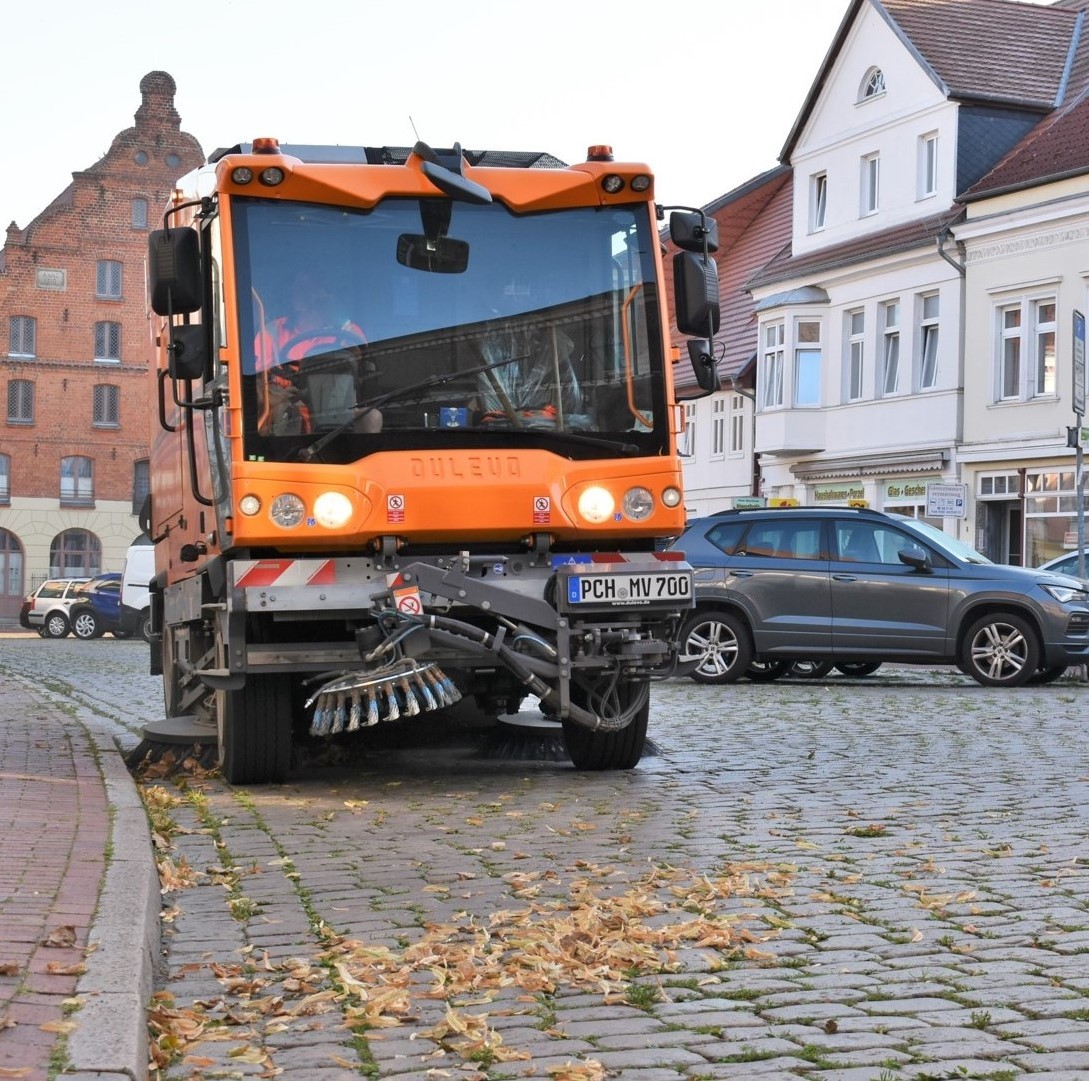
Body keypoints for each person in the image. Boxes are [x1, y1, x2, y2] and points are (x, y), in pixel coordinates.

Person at [253, 271, 379, 435]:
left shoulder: (347, 331)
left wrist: (340, 319)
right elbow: (253, 381)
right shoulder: (271, 332)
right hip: (284, 413)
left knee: (373, 417)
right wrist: (276, 397)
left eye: (313, 288)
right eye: (300, 288)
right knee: (285, 416)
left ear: (327, 295)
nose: (305, 294)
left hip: (336, 410)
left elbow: (362, 367)